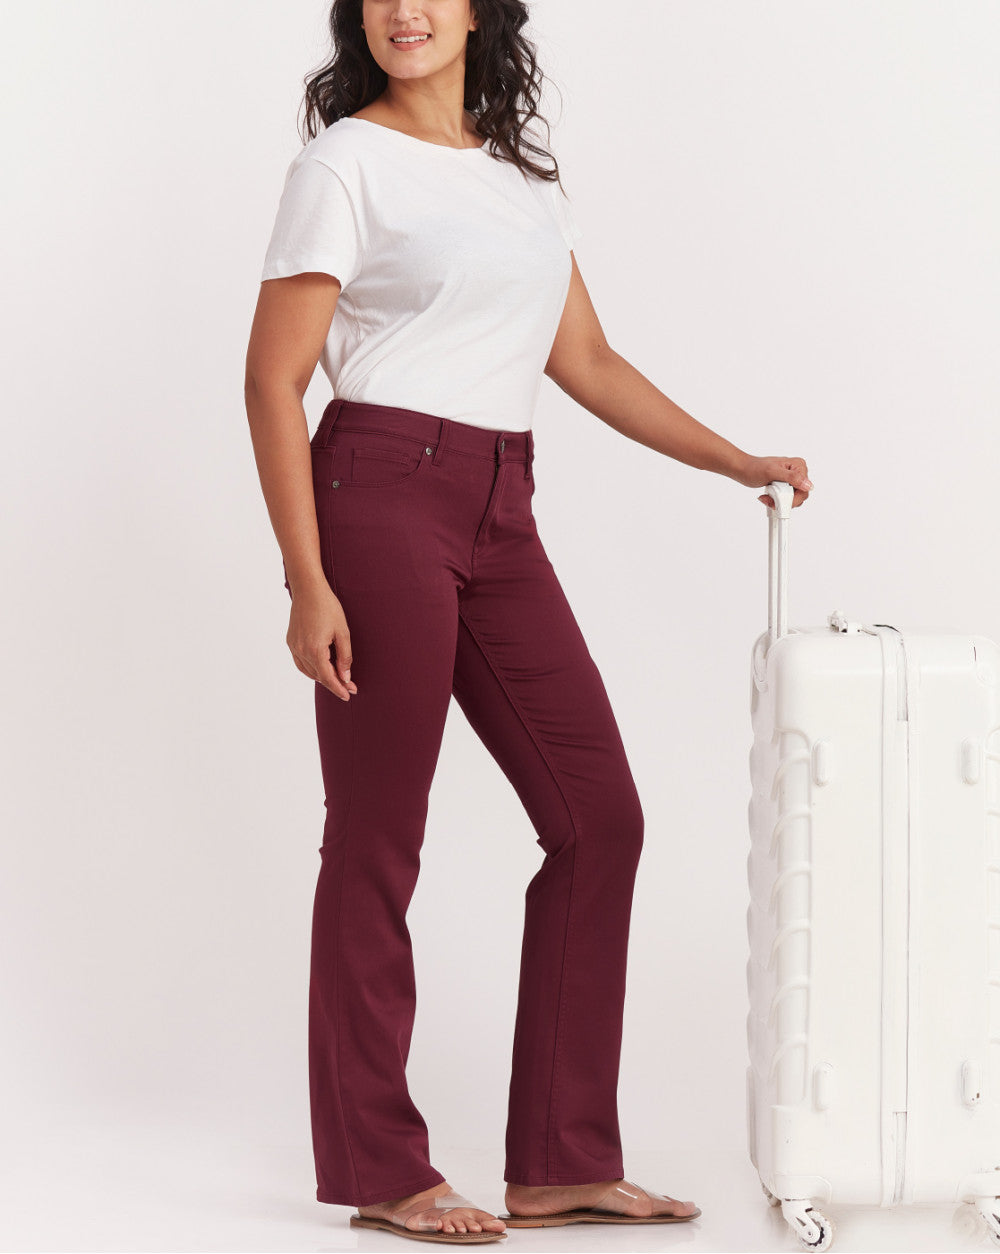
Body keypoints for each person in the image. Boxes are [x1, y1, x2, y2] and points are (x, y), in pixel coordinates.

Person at [245, 0, 812, 1245]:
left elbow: (587, 362)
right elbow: (274, 377)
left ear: (477, 14)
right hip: (378, 490)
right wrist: (305, 578)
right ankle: (381, 1168)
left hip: (503, 503)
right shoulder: (344, 164)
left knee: (599, 818)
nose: (404, 10)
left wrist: (733, 459)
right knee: (379, 836)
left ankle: (559, 1161)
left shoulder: (521, 185)